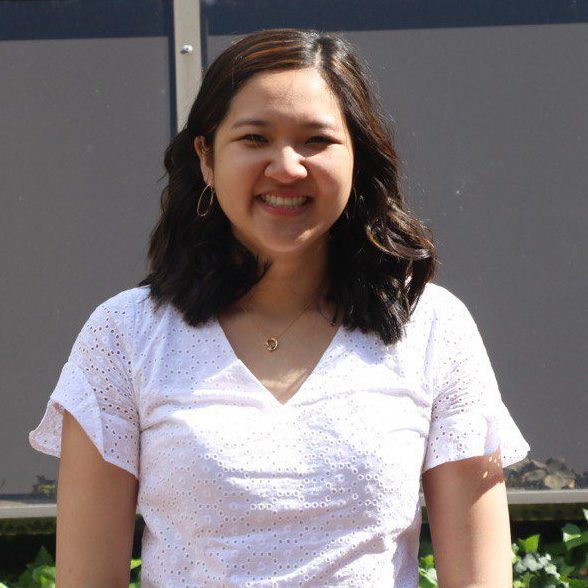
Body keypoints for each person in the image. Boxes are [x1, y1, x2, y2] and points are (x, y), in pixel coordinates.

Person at [29, 28, 530, 587]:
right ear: (206, 158)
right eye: (254, 138)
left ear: (357, 157)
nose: (287, 168)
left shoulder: (434, 327)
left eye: (316, 140)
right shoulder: (124, 335)